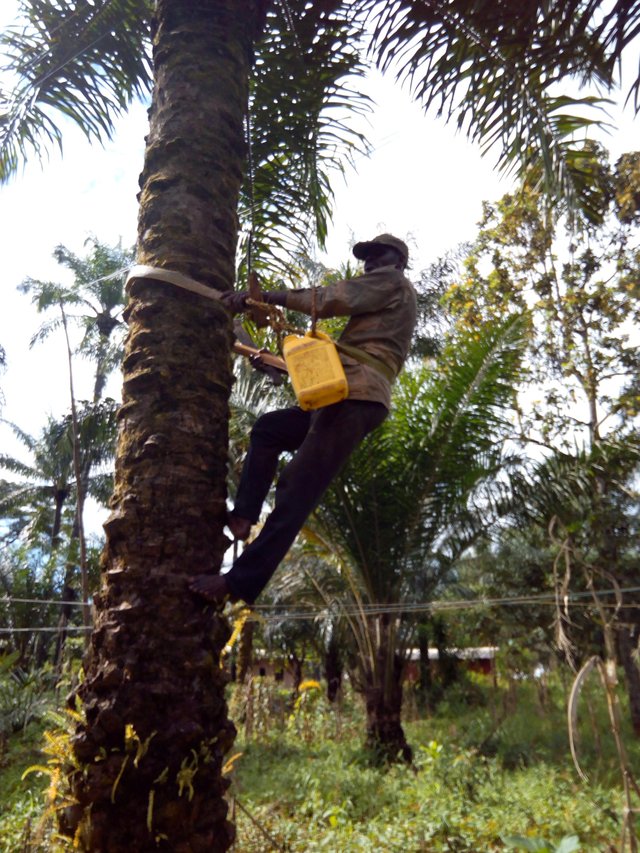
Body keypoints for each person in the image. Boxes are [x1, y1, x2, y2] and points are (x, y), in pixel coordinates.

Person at [190, 234, 417, 606]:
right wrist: (272, 362)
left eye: (380, 255)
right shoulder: (380, 309)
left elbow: (329, 300)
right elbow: (330, 361)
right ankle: (244, 516)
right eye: (367, 257)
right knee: (269, 430)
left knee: (296, 489)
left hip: (356, 397)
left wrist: (267, 298)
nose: (371, 262)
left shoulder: (393, 284)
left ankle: (238, 582)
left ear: (399, 261)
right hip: (342, 391)